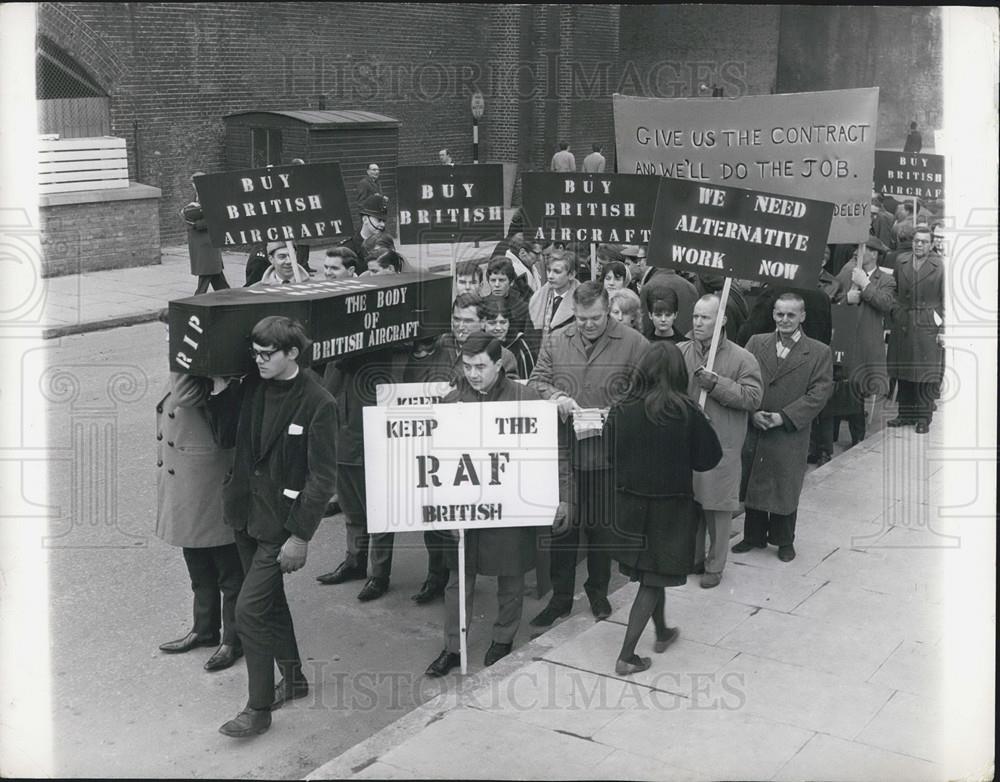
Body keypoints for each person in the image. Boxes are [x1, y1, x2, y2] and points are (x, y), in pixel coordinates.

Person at [216, 316, 337, 738]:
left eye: (268, 354)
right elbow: (225, 436)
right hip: (246, 514)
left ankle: (259, 708)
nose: (260, 360)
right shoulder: (251, 385)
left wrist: (300, 536)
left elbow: (322, 478)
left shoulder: (319, 402)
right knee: (270, 605)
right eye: (256, 353)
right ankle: (295, 679)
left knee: (248, 611)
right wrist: (221, 391)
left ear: (292, 354)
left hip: (281, 525)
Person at [528, 282, 649, 626]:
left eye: (595, 317)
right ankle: (560, 599)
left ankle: (598, 593)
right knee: (562, 529)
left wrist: (619, 411)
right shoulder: (556, 339)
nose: (588, 325)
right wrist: (556, 398)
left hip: (609, 454)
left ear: (607, 308)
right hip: (565, 453)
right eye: (581, 319)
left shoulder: (634, 343)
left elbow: (648, 389)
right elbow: (536, 381)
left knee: (601, 530)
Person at [424, 334, 542, 677]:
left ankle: (503, 638)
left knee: (511, 574)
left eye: (480, 367)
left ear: (499, 364)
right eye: (467, 365)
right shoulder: (450, 402)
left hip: (510, 504)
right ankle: (453, 646)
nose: (473, 373)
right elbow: (435, 459)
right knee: (459, 578)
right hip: (464, 505)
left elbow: (549, 452)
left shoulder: (525, 398)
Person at [605, 342, 722, 674]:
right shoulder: (686, 412)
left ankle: (662, 631)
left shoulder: (622, 408)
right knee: (654, 579)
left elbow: (610, 455)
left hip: (630, 507)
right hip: (669, 511)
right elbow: (708, 460)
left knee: (651, 574)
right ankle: (626, 656)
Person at [155, 365, 244, 672]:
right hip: (188, 483)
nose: (171, 340)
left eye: (174, 332)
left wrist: (181, 354)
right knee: (197, 561)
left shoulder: (213, 368)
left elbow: (183, 395)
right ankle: (204, 628)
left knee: (228, 570)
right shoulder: (195, 363)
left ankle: (234, 639)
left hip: (208, 483)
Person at [735, 294, 834, 562]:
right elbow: (741, 376)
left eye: (791, 315)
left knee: (785, 484)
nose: (785, 320)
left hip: (790, 431)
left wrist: (784, 417)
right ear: (773, 315)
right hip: (757, 425)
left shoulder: (818, 352)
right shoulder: (756, 343)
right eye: (780, 314)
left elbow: (820, 393)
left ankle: (784, 540)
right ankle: (752, 536)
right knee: (755, 480)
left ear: (802, 316)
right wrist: (753, 412)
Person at [680, 296, 762, 588]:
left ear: (722, 321)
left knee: (717, 508)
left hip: (722, 443)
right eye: (696, 316)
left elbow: (753, 398)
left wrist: (716, 384)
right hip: (688, 443)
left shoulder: (742, 358)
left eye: (706, 318)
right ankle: (694, 558)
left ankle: (715, 565)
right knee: (692, 505)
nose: (697, 322)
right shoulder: (681, 352)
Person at [831, 237, 897, 444]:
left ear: (874, 253)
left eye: (863, 249)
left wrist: (865, 284)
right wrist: (845, 299)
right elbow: (832, 298)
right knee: (837, 387)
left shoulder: (886, 279)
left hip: (866, 342)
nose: (857, 252)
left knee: (858, 390)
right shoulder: (846, 272)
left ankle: (857, 438)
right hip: (844, 339)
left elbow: (886, 304)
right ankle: (830, 439)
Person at [887, 224, 945, 434]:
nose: (919, 244)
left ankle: (923, 417)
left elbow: (948, 299)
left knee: (924, 373)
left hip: (927, 322)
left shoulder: (941, 266)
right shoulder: (901, 261)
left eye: (924, 241)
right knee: (904, 370)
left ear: (931, 245)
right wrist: (894, 310)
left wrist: (943, 328)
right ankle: (905, 414)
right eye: (916, 241)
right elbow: (893, 288)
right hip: (903, 320)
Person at [625, 246, 698, 336]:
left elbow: (644, 328)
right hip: (686, 346)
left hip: (660, 346)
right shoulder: (690, 287)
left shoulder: (649, 287)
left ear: (649, 260)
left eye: (639, 259)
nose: (638, 263)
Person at [183, 173, 229, 294]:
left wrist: (197, 225)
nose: (194, 186)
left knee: (207, 270)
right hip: (200, 240)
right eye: (193, 183)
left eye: (196, 182)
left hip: (207, 240)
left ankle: (198, 298)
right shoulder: (197, 195)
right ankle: (228, 295)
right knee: (215, 274)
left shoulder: (211, 196)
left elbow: (217, 217)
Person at [481, 295, 536, 379]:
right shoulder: (474, 345)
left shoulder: (521, 348)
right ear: (482, 323)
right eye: (492, 323)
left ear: (509, 322)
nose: (498, 328)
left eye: (503, 322)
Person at [527, 251, 578, 338]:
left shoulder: (582, 301)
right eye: (549, 270)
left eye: (557, 272)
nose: (550, 276)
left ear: (571, 275)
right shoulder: (537, 298)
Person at [485, 256, 531, 334]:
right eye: (493, 280)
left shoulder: (523, 309)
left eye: (502, 280)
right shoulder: (481, 305)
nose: (496, 285)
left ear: (511, 282)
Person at [343, 193, 391, 261]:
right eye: (379, 220)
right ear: (365, 219)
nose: (383, 224)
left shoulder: (386, 244)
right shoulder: (347, 249)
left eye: (384, 221)